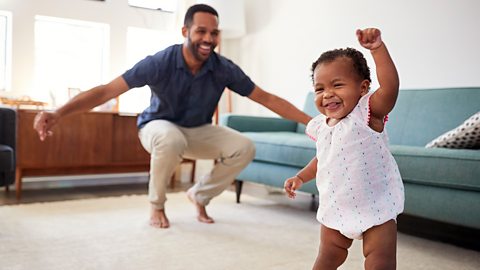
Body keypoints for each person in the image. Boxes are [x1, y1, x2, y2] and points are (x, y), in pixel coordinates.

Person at [33, 4, 311, 229]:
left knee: (244, 146)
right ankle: (156, 204)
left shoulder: (223, 68)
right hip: (157, 127)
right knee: (169, 137)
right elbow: (107, 90)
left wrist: (312, 122)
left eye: (214, 33)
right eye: (201, 31)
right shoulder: (160, 62)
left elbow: (266, 98)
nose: (208, 39)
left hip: (198, 129)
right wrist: (59, 112)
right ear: (185, 30)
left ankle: (199, 195)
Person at [284, 28, 404, 270]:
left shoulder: (367, 114)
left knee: (380, 261)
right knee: (327, 257)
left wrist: (377, 50)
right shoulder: (322, 126)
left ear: (363, 88)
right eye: (319, 89)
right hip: (337, 205)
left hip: (376, 205)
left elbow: (390, 88)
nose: (327, 94)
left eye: (337, 85)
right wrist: (300, 177)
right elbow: (323, 158)